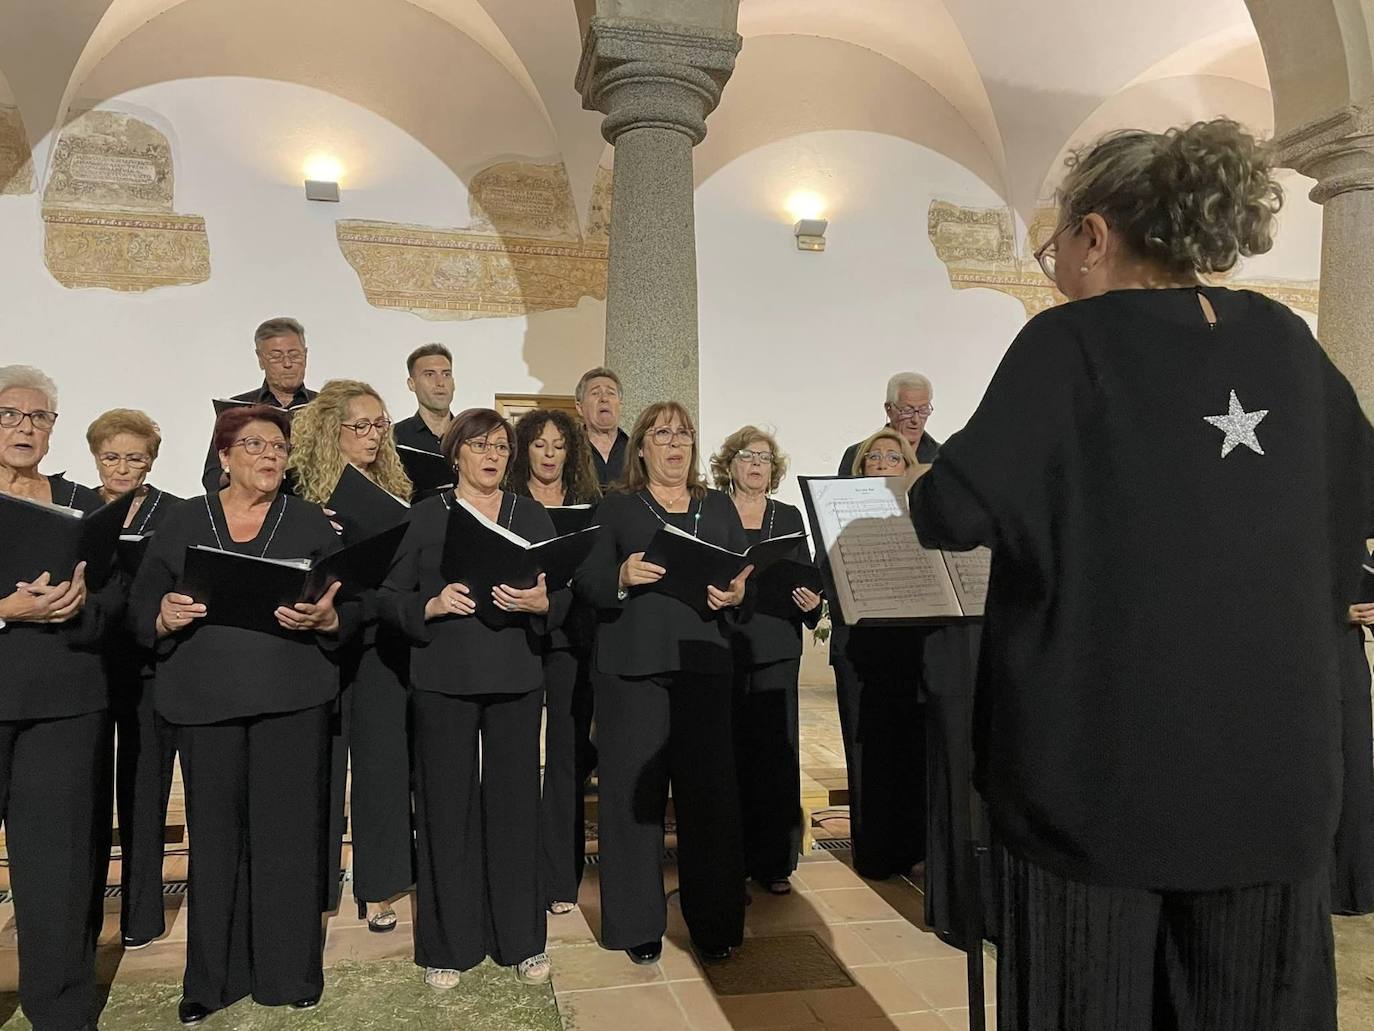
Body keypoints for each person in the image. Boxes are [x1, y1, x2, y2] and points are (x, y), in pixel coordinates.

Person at [910, 118, 1374, 1031]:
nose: (1056, 268)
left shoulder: (1070, 343)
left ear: (1094, 235)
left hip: (1099, 786)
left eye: (1054, 247)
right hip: (1271, 785)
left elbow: (949, 512)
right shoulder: (1286, 340)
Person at [132, 405, 354, 1025]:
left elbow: (354, 603)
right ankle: (213, 980)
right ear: (224, 456)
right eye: (255, 445)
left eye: (279, 447)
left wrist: (330, 618)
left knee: (288, 839)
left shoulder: (308, 521)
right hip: (206, 703)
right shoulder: (183, 519)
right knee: (215, 841)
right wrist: (161, 616)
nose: (270, 455)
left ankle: (290, 974)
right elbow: (140, 602)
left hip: (292, 701)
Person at [379, 408, 564, 990]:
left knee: (515, 809)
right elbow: (388, 596)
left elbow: (564, 590)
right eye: (480, 445)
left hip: (515, 676)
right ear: (456, 453)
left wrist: (544, 604)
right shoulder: (425, 515)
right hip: (443, 680)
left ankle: (521, 940)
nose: (492, 456)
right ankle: (448, 944)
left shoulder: (529, 515)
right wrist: (429, 606)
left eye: (501, 448)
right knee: (445, 808)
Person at [574, 401, 751, 966]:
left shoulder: (716, 505)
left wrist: (737, 593)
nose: (675, 443)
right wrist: (620, 576)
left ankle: (714, 923)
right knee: (633, 801)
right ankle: (637, 924)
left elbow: (743, 575)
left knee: (710, 798)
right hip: (632, 671)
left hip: (703, 666)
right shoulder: (616, 507)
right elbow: (585, 579)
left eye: (684, 434)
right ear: (642, 446)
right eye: (662, 433)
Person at [0, 365, 118, 1031]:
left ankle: (62, 1009)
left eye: (39, 416)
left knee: (61, 866)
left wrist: (81, 604)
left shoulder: (83, 504)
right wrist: (5, 609)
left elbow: (118, 602)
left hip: (66, 704)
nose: (25, 427)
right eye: (10, 414)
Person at [289, 381, 415, 933]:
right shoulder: (298, 490)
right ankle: (314, 886)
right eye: (360, 425)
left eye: (379, 424)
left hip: (379, 637)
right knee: (317, 765)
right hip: (316, 638)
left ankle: (380, 886)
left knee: (381, 764)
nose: (373, 435)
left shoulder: (394, 488)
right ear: (329, 431)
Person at [85, 408, 183, 950]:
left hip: (153, 665)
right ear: (95, 457)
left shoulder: (174, 512)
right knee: (86, 793)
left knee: (145, 791)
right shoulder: (78, 508)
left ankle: (141, 916)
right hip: (91, 667)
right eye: (111, 457)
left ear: (151, 461)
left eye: (134, 458)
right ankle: (81, 915)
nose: (122, 468)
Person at [710, 426, 820, 895]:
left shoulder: (788, 515)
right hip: (724, 641)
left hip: (777, 644)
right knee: (730, 751)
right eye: (747, 456)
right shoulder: (712, 511)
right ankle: (731, 857)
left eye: (764, 458)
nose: (756, 464)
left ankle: (774, 860)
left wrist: (812, 602)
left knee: (776, 751)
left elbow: (806, 574)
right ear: (729, 464)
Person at [507, 408, 601, 914]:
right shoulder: (508, 503)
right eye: (539, 444)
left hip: (571, 637)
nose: (549, 454)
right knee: (518, 755)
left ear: (571, 452)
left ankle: (561, 876)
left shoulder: (589, 505)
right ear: (524, 450)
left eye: (558, 445)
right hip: (517, 637)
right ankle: (519, 869)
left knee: (567, 758)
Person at [828, 428, 931, 881]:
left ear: (908, 468)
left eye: (894, 457)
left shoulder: (923, 518)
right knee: (866, 751)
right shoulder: (839, 517)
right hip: (859, 650)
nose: (884, 463)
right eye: (875, 457)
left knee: (911, 750)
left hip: (911, 649)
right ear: (861, 467)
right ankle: (873, 853)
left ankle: (914, 846)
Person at [199, 317, 317, 492]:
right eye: (276, 357)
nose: (287, 364)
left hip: (313, 502)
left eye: (294, 355)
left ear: (305, 355)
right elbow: (212, 477)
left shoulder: (327, 406)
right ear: (261, 359)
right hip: (254, 502)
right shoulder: (239, 409)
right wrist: (241, 470)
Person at [1333, 556, 1374, 915]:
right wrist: (1335, 613)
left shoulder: (1355, 549)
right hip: (1308, 668)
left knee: (1355, 772)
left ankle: (1351, 889)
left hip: (1347, 668)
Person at [837, 372, 938, 476]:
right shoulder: (855, 455)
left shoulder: (941, 458)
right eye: (907, 410)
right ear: (889, 409)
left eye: (923, 410)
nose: (916, 419)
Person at [394, 343, 455, 454]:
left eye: (446, 374)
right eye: (429, 375)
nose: (440, 383)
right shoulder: (394, 438)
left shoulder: (471, 436)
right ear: (412, 384)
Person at [574, 367, 628, 487]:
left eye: (611, 393)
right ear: (580, 407)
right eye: (595, 393)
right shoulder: (568, 449)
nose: (604, 399)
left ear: (620, 406)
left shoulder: (635, 450)